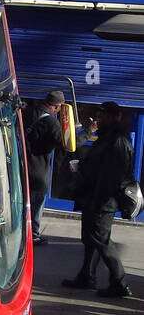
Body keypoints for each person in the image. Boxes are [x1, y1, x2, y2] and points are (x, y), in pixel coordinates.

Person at [62, 102, 134, 297]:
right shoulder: (107, 137)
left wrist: (99, 201)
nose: (98, 119)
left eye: (103, 115)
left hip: (102, 200)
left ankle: (120, 283)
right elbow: (98, 165)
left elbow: (111, 176)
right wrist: (82, 166)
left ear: (115, 117)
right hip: (93, 197)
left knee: (101, 241)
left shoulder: (118, 141)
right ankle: (87, 277)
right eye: (98, 115)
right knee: (91, 239)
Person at [25, 90, 66, 245]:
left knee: (24, 201)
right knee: (36, 203)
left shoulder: (29, 112)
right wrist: (88, 132)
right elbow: (66, 145)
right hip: (38, 171)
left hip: (22, 168)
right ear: (57, 106)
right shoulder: (51, 123)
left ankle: (21, 231)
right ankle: (33, 234)